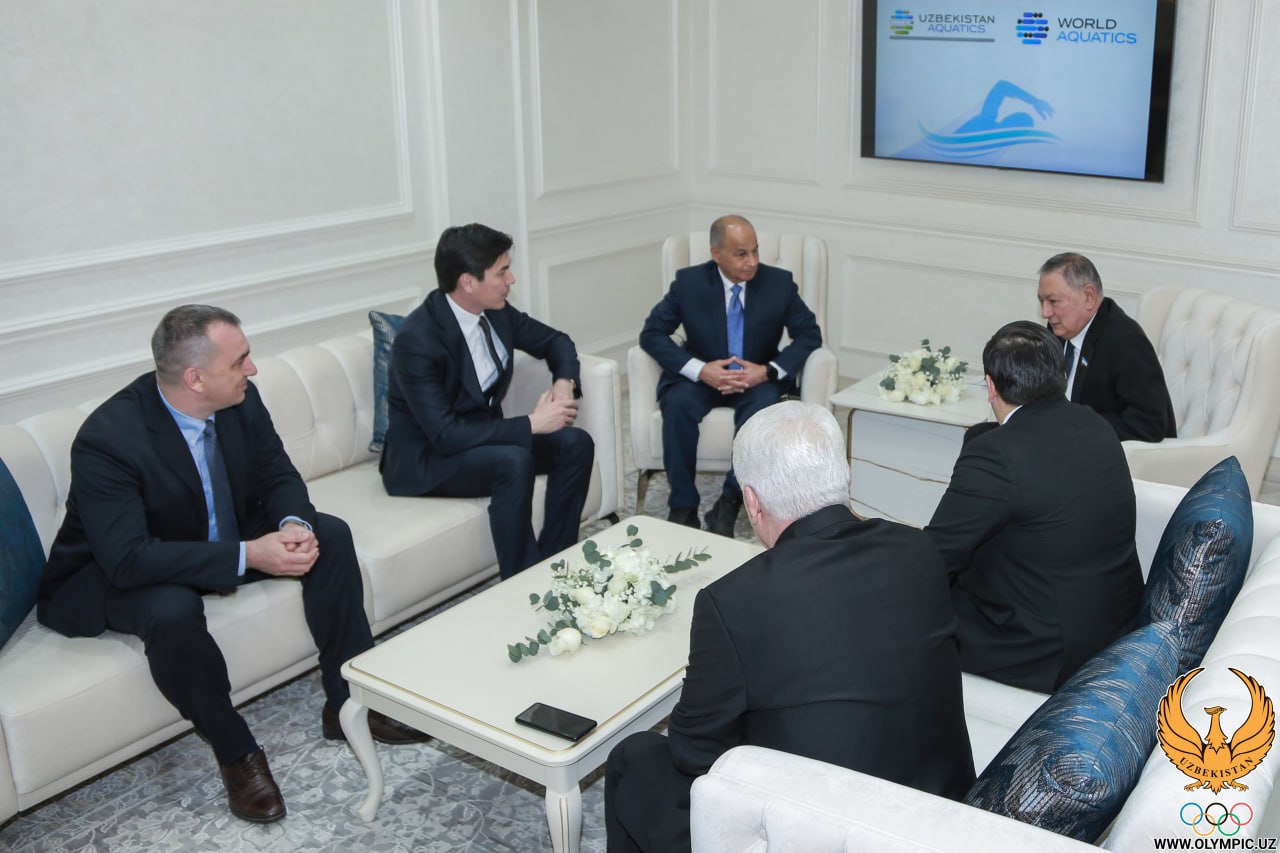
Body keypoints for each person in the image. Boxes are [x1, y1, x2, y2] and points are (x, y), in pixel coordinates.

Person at [37, 305, 425, 825]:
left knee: (329, 535)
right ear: (195, 379)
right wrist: (249, 554)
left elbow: (277, 474)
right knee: (171, 610)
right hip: (116, 567)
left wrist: (293, 524)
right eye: (240, 360)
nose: (253, 369)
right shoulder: (109, 438)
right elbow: (128, 559)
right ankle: (237, 753)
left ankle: (348, 702)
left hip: (208, 535)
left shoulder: (240, 399)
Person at [605, 401, 975, 852]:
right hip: (943, 812)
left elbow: (693, 752)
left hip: (833, 834)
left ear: (752, 502)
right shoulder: (918, 549)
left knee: (634, 757)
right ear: (846, 477)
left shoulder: (733, 600)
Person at [926, 320, 1144, 694]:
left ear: (991, 386)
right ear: (1060, 375)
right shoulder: (1095, 423)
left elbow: (937, 556)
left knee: (897, 611)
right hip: (1113, 627)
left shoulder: (996, 455)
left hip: (1040, 650)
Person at [380, 223, 594, 579]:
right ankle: (523, 582)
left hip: (482, 439)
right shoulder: (417, 341)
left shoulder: (496, 312)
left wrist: (564, 383)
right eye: (502, 272)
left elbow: (556, 341)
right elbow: (445, 435)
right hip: (429, 459)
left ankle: (556, 565)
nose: (512, 280)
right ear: (468, 282)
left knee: (576, 443)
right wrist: (533, 424)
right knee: (514, 461)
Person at [638, 215, 822, 537]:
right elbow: (652, 334)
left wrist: (767, 370)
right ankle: (682, 507)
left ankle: (729, 503)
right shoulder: (689, 283)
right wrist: (700, 369)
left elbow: (809, 334)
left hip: (756, 379)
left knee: (762, 413)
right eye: (741, 254)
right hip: (704, 376)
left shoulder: (778, 283)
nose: (752, 261)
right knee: (677, 404)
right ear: (716, 254)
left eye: (755, 251)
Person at [1038, 251, 1176, 442]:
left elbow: (1149, 425)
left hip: (1101, 451)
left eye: (1053, 301)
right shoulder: (1058, 330)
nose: (1045, 312)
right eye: (1041, 301)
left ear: (1089, 297)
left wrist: (1073, 425)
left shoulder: (1126, 342)